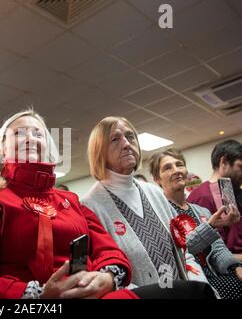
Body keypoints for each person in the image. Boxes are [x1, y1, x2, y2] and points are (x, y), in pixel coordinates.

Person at [0, 109, 138, 299]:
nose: (31, 138)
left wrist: (107, 278)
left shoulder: (71, 201)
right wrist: (38, 295)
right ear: (2, 149)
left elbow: (107, 249)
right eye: (19, 133)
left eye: (38, 133)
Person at [81, 116, 213, 296]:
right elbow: (107, 277)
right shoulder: (90, 206)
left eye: (130, 136)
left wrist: (198, 287)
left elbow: (184, 251)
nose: (127, 144)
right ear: (99, 152)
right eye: (115, 139)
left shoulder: (154, 192)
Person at [149, 148, 242, 299]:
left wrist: (236, 267)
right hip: (189, 281)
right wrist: (210, 227)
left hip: (216, 274)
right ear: (157, 179)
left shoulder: (201, 211)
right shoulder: (158, 213)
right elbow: (178, 254)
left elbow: (218, 249)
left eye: (179, 165)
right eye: (168, 167)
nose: (176, 170)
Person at [188, 140, 242, 260]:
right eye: (240, 166)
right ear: (224, 162)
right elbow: (209, 252)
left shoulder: (234, 191)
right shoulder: (201, 196)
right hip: (227, 268)